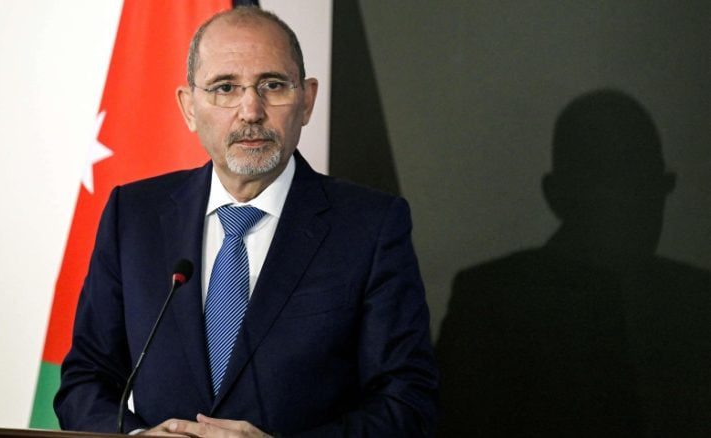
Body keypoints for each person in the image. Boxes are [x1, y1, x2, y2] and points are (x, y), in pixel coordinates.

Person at [54, 7, 438, 437]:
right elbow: (85, 380)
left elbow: (407, 402)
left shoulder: (371, 226)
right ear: (189, 107)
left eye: (273, 85)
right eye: (225, 88)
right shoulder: (133, 216)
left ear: (307, 100)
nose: (251, 110)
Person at [436, 89, 711, 436]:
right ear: (557, 194)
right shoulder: (490, 304)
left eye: (641, 184)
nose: (629, 203)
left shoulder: (490, 301)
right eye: (607, 182)